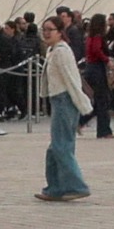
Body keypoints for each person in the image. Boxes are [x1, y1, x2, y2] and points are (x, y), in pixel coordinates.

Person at [37, 17, 92, 201]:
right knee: (56, 147)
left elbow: (72, 80)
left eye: (50, 29)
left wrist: (82, 107)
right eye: (43, 29)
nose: (45, 33)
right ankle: (55, 188)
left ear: (60, 32)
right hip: (59, 100)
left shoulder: (61, 52)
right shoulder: (54, 50)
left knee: (61, 147)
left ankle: (77, 186)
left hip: (65, 100)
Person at [76, 14, 114, 139]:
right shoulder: (98, 37)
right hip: (98, 69)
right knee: (102, 100)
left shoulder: (89, 37)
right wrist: (107, 60)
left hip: (90, 69)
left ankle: (82, 121)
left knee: (99, 100)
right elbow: (97, 50)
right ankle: (103, 130)